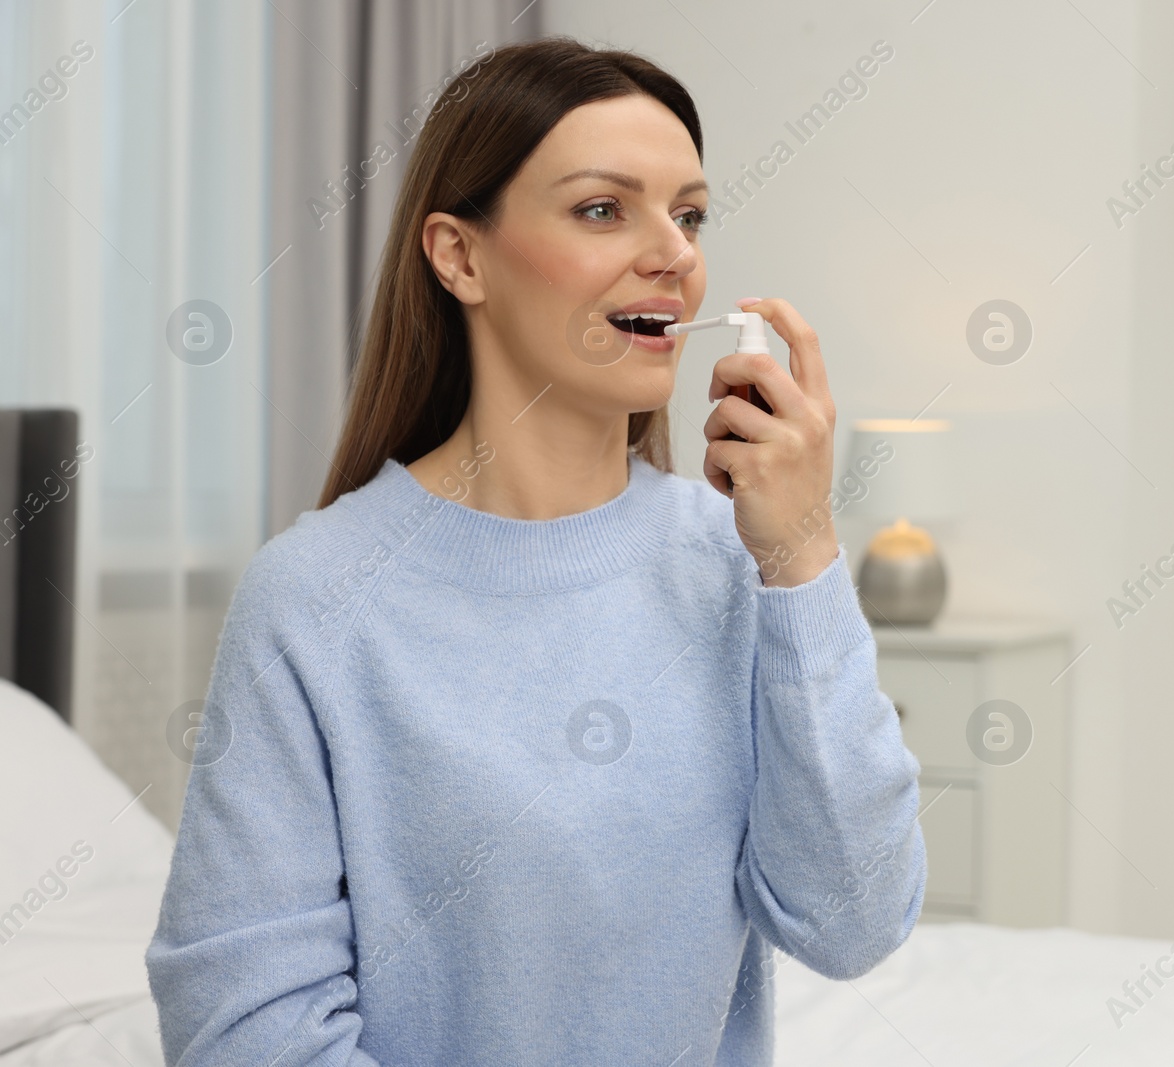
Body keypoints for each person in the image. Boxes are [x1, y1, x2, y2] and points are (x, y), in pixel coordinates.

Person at [143, 35, 926, 1067]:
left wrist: (805, 557)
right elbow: (242, 1026)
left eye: (687, 214)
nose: (676, 253)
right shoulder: (314, 596)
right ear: (459, 256)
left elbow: (852, 919)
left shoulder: (744, 562)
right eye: (605, 208)